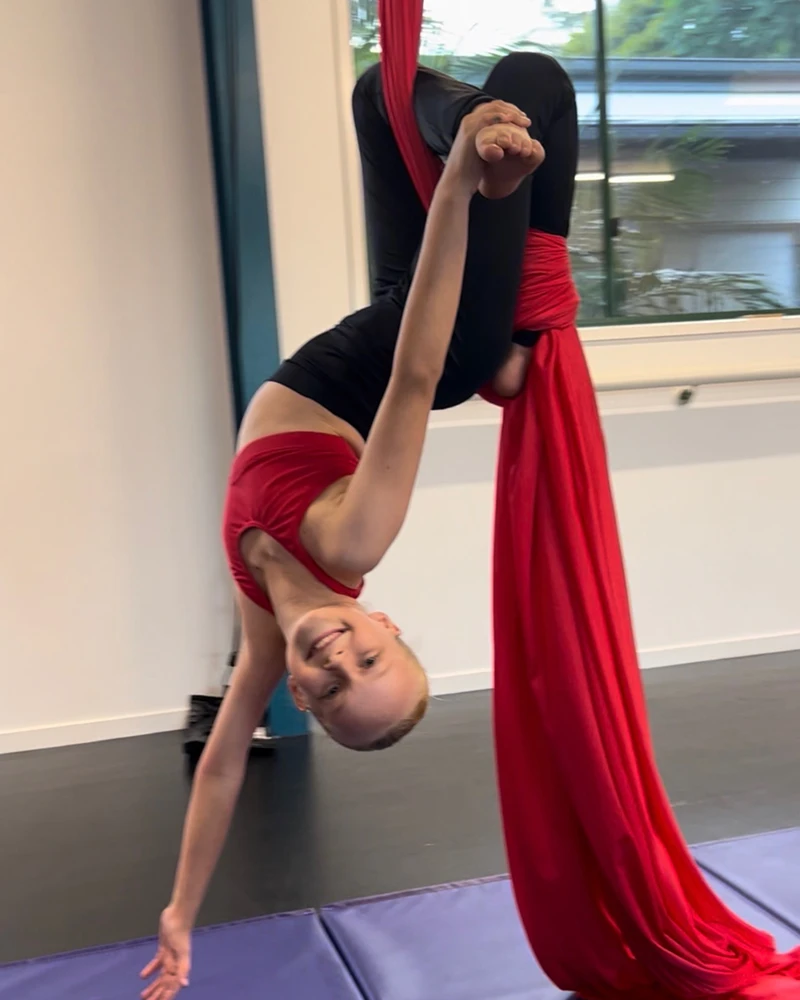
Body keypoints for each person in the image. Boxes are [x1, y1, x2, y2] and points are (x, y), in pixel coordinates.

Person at [141, 52, 577, 1000]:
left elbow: (218, 776)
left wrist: (181, 913)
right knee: (529, 86)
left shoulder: (265, 635)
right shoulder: (350, 545)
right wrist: (461, 185)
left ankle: (509, 346)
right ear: (388, 626)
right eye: (368, 664)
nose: (335, 663)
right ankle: (512, 337)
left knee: (375, 93)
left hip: (363, 338)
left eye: (328, 692)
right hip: (411, 356)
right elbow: (414, 377)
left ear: (300, 693)